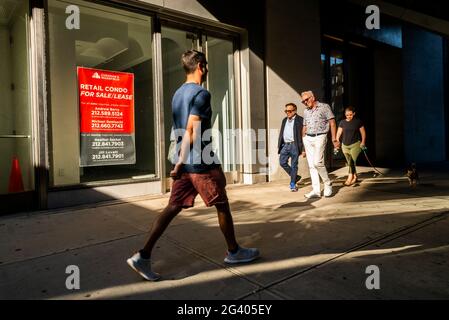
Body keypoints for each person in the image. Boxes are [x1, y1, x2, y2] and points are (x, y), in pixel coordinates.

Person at [126, 50, 259, 281]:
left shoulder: (177, 94)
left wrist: (179, 159)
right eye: (205, 65)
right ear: (200, 66)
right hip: (198, 163)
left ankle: (143, 256)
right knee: (222, 205)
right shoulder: (201, 94)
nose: (207, 70)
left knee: (172, 207)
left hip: (187, 161)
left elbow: (177, 130)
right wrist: (180, 163)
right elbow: (191, 129)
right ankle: (234, 252)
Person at [300, 90, 340, 199]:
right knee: (311, 166)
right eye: (303, 101)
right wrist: (303, 139)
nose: (305, 102)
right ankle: (316, 190)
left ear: (313, 97)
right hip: (308, 138)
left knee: (317, 162)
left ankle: (327, 183)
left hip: (320, 136)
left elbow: (332, 123)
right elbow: (304, 126)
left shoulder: (324, 107)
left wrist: (334, 138)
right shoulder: (306, 111)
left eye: (306, 99)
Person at [336, 106, 366, 186]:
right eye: (347, 115)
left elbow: (363, 133)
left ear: (354, 113)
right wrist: (337, 140)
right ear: (345, 115)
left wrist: (363, 142)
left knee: (352, 161)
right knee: (350, 162)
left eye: (350, 115)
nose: (349, 116)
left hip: (355, 144)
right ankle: (355, 176)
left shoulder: (358, 122)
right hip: (344, 145)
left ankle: (350, 177)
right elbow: (339, 132)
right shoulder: (342, 122)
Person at [278, 103, 304, 192]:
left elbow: (303, 135)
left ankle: (293, 183)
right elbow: (282, 133)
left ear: (295, 111)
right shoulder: (284, 120)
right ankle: (295, 177)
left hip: (294, 145)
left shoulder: (300, 120)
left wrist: (303, 149)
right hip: (285, 145)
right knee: (282, 162)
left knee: (294, 165)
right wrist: (280, 145)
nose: (287, 113)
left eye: (289, 111)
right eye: (286, 111)